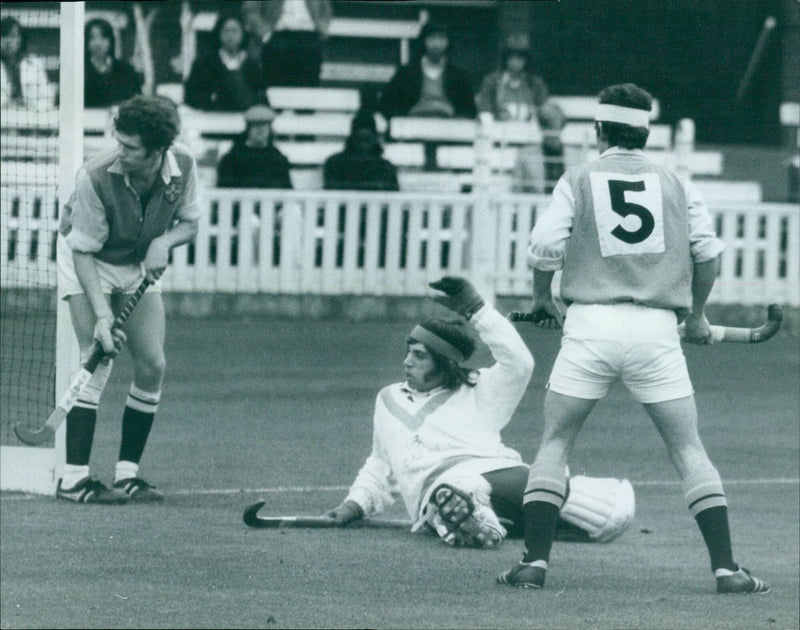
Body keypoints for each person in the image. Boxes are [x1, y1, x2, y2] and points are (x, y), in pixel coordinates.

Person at [496, 83, 771, 594]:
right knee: (689, 449)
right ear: (645, 132)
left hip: (590, 325)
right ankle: (727, 570)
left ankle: (534, 563)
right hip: (655, 330)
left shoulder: (577, 177)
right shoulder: (675, 181)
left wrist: (541, 299)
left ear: (598, 131)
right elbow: (708, 253)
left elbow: (543, 244)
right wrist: (698, 316)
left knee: (555, 443)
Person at [326, 276, 635, 549]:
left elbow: (519, 363)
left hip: (502, 474)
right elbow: (380, 465)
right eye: (408, 352)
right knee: (452, 494)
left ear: (444, 363)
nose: (407, 362)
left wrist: (477, 309)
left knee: (611, 513)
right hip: (440, 487)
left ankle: (483, 519)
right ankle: (477, 516)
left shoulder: (480, 388)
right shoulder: (388, 398)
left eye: (419, 355)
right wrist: (355, 505)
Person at [56, 95, 202, 504]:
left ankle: (127, 475)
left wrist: (164, 240)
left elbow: (190, 223)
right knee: (97, 356)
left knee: (153, 363)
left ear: (158, 151)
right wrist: (103, 316)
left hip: (137, 261)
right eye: (118, 141)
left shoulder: (184, 165)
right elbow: (82, 249)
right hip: (89, 258)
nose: (121, 151)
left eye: (131, 147)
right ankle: (72, 479)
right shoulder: (96, 176)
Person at [475, 32, 565, 193]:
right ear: (505, 58)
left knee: (535, 184)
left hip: (528, 143)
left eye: (521, 57)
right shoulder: (493, 82)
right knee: (498, 189)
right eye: (512, 56)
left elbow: (544, 114)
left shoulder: (534, 84)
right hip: (500, 143)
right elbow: (485, 113)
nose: (516, 62)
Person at [378, 20, 476, 120]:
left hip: (449, 125)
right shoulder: (407, 73)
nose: (437, 43)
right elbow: (387, 104)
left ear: (448, 42)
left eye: (441, 38)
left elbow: (469, 109)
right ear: (424, 41)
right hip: (413, 124)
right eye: (432, 38)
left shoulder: (458, 75)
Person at [241, 0, 332, 88]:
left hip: (309, 37)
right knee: (277, 85)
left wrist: (322, 26)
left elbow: (326, 10)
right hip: (277, 36)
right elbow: (250, 10)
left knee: (308, 87)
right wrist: (264, 33)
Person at [184, 13, 264, 112]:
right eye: (226, 30)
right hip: (212, 118)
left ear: (243, 33)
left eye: (235, 31)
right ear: (218, 33)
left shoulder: (252, 64)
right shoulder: (205, 63)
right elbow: (191, 96)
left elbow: (260, 96)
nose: (230, 36)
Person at [216, 104, 292, 189]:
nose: (260, 129)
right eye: (256, 125)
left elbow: (287, 190)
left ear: (270, 129)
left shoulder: (278, 159)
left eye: (264, 125)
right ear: (248, 128)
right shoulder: (232, 159)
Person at [323, 110, 399, 191]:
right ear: (352, 139)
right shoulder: (334, 164)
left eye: (367, 140)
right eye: (359, 140)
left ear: (375, 140)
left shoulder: (386, 167)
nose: (363, 145)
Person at [84, 18, 142, 109]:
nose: (98, 43)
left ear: (111, 41)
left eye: (103, 37)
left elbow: (137, 103)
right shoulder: (78, 70)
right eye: (92, 38)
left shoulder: (126, 71)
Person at [1, 16, 52, 110]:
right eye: (3, 36)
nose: (8, 41)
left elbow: (47, 99)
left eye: (12, 35)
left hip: (32, 118)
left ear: (21, 39)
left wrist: (31, 109)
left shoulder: (35, 64)